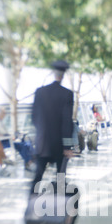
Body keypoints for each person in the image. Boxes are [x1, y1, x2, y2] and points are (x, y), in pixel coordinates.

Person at [30, 59, 74, 196]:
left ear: (53, 73)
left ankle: (31, 204)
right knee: (60, 176)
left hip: (42, 142)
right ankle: (59, 206)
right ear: (63, 75)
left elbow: (34, 117)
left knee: (38, 176)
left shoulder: (40, 92)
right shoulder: (67, 94)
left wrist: (41, 134)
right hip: (59, 145)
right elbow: (67, 121)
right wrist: (67, 146)